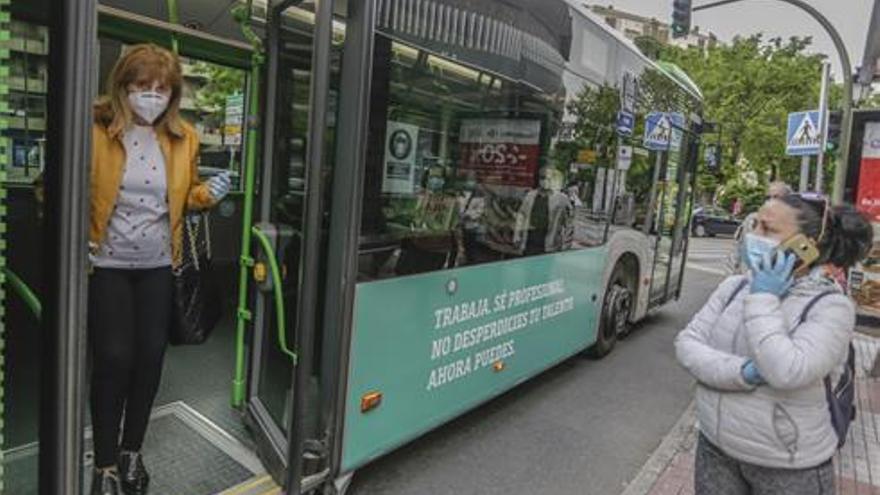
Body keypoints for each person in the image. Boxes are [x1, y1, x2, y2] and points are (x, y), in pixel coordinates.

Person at [88, 44, 231, 495]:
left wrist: (206, 195)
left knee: (150, 359)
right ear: (123, 86)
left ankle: (132, 452)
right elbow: (53, 188)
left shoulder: (183, 137)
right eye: (142, 87)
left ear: (173, 95)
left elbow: (181, 198)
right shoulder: (93, 127)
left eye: (162, 90)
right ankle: (105, 464)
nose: (151, 96)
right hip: (105, 264)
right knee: (114, 358)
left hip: (156, 265)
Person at [675, 193, 873, 495]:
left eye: (767, 230)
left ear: (806, 246)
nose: (753, 237)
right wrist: (742, 373)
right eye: (755, 225)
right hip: (716, 449)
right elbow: (687, 345)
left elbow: (786, 372)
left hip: (787, 465)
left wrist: (763, 297)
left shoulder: (831, 307)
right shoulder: (734, 287)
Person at [725, 181, 793, 274]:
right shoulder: (751, 219)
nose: (771, 201)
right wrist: (732, 278)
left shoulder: (793, 226)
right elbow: (737, 250)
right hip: (745, 280)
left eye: (776, 197)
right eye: (768, 197)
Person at [514, 167, 573, 255]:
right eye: (542, 177)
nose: (545, 181)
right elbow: (521, 216)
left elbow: (570, 223)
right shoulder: (530, 196)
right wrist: (517, 236)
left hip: (550, 246)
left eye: (549, 178)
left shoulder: (562, 199)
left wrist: (566, 246)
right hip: (528, 243)